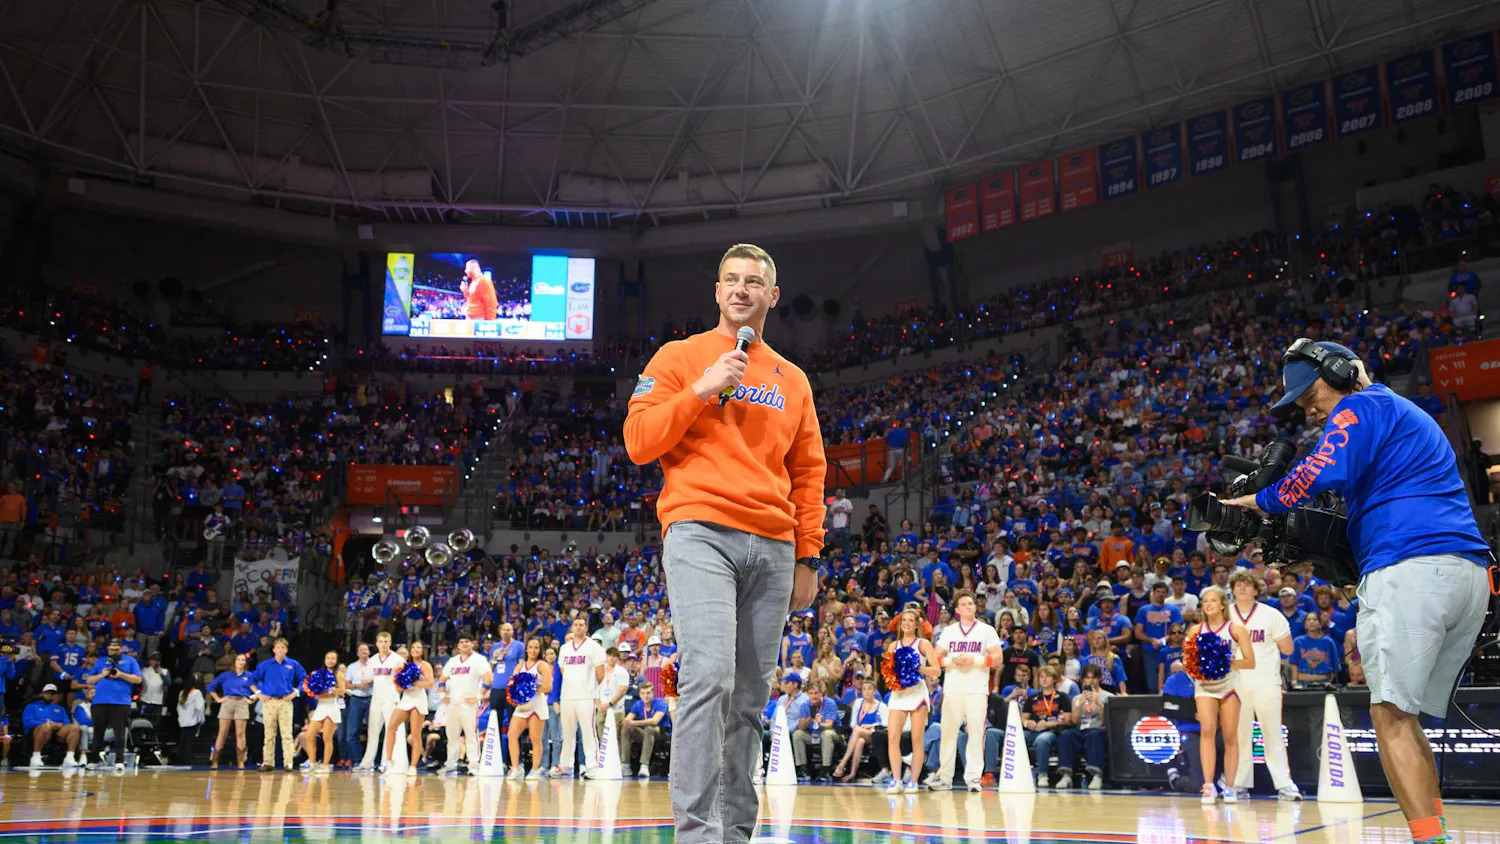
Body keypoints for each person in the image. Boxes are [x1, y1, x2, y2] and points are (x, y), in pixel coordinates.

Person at [1226, 338, 1493, 844]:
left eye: (1311, 395)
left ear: (1342, 372)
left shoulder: (1360, 406)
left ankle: (1430, 842)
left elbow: (1314, 473)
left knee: (1388, 716)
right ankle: (1434, 831)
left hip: (1412, 567)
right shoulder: (1396, 416)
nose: (1310, 409)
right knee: (1405, 720)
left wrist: (1257, 501)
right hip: (1464, 572)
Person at [623, 243, 826, 844]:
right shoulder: (680, 357)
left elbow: (810, 472)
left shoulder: (793, 379)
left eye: (753, 282)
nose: (741, 289)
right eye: (731, 280)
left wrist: (809, 555)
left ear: (772, 295)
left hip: (775, 545)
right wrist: (701, 389)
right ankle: (696, 835)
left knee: (748, 700)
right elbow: (638, 439)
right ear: (717, 292)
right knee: (708, 676)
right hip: (699, 531)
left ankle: (734, 833)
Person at [1226, 570, 1299, 801]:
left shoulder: (1271, 614)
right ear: (1232, 589)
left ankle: (1284, 784)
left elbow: (1288, 650)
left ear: (1256, 590)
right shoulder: (1224, 614)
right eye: (1238, 585)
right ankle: (1238, 783)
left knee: (1273, 733)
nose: (1242, 589)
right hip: (1235, 683)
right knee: (1239, 735)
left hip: (1266, 680)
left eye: (1247, 585)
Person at [1186, 586, 1256, 804]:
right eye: (1205, 601)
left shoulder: (1236, 629)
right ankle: (1208, 786)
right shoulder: (1195, 630)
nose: (1208, 605)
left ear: (1223, 604)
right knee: (1207, 730)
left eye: (1213, 600)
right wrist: (1200, 669)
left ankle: (1230, 787)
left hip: (1229, 684)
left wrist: (1222, 663)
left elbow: (1250, 662)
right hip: (1205, 686)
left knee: (1229, 735)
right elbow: (1187, 662)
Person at [931, 590, 1002, 792]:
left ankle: (973, 779)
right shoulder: (949, 632)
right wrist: (951, 660)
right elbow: (935, 658)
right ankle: (945, 778)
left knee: (977, 733)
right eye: (964, 604)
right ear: (957, 609)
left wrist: (976, 660)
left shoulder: (986, 630)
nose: (969, 607)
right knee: (948, 733)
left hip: (977, 689)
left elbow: (998, 658)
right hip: (953, 688)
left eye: (971, 603)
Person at [883, 608, 939, 793]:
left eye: (910, 620)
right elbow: (888, 671)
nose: (906, 623)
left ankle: (913, 781)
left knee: (917, 739)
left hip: (917, 694)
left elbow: (937, 670)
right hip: (899, 694)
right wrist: (892, 678)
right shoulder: (893, 646)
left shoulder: (923, 644)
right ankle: (896, 780)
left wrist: (918, 669)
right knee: (892, 738)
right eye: (903, 620)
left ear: (917, 624)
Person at [555, 617, 606, 778]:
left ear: (586, 628)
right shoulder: (564, 648)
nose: (578, 627)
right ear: (571, 628)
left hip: (586, 696)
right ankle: (566, 766)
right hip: (567, 697)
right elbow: (563, 671)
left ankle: (593, 766)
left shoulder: (594, 647)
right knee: (567, 733)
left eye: (582, 624)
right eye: (575, 625)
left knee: (588, 733)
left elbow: (600, 673)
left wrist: (591, 689)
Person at [84, 638, 141, 771]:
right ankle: (94, 760)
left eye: (116, 649)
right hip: (100, 702)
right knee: (98, 732)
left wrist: (120, 674)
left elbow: (138, 679)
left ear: (121, 649)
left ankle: (119, 760)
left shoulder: (130, 661)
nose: (113, 651)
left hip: (121, 702)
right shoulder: (101, 661)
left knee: (120, 732)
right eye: (110, 649)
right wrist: (102, 675)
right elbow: (90, 680)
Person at [250, 637, 307, 771]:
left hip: (285, 701)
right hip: (269, 702)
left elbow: (304, 679)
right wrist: (259, 693)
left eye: (283, 647)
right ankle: (268, 762)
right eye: (278, 647)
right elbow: (252, 679)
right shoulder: (265, 665)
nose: (280, 650)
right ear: (274, 649)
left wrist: (296, 692)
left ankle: (288, 762)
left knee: (286, 733)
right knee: (269, 733)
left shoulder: (293, 664)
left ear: (286, 650)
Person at [440, 635, 491, 773]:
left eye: (467, 641)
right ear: (457, 646)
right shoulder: (452, 661)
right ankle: (450, 764)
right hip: (452, 704)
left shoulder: (479, 660)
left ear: (472, 644)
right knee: (451, 736)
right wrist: (442, 695)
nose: (464, 644)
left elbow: (489, 678)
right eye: (461, 642)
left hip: (469, 704)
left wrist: (478, 696)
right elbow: (442, 679)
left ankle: (473, 764)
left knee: (471, 735)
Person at [382, 640, 434, 772]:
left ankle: (413, 766)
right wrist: (401, 684)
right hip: (406, 699)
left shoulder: (425, 665)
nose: (415, 649)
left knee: (415, 734)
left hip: (418, 699)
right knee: (391, 726)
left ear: (423, 651)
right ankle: (388, 761)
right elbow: (399, 689)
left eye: (419, 647)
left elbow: (430, 684)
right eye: (413, 647)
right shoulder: (405, 665)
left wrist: (414, 682)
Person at [1058, 664, 1112, 790]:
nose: (1091, 681)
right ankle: (1066, 775)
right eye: (1087, 678)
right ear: (1083, 680)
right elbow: (1074, 721)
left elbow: (1107, 721)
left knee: (1094, 735)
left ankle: (1097, 776)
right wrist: (1078, 706)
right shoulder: (1077, 698)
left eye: (1094, 678)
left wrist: (1098, 703)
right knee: (1066, 735)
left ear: (1100, 679)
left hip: (1099, 730)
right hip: (1081, 730)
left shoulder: (1108, 696)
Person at [356, 631, 403, 771]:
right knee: (373, 731)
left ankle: (386, 762)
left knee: (390, 730)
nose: (383, 644)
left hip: (391, 699)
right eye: (381, 641)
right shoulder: (373, 659)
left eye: (386, 641)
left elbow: (405, 677)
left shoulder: (397, 659)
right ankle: (367, 763)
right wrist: (368, 680)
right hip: (376, 698)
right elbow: (371, 677)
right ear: (376, 643)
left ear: (390, 643)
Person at [507, 637, 552, 780]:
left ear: (540, 650)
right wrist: (515, 694)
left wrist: (532, 690)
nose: (533, 650)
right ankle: (515, 769)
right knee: (512, 735)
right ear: (526, 649)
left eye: (536, 648)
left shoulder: (542, 665)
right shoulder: (520, 666)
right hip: (522, 706)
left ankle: (534, 770)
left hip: (536, 705)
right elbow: (512, 683)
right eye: (530, 647)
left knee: (535, 738)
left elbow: (548, 686)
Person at [833, 680, 888, 782]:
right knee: (860, 741)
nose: (866, 691)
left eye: (869, 689)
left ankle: (842, 764)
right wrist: (858, 728)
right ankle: (853, 774)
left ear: (875, 691)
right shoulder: (858, 703)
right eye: (864, 689)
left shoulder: (881, 706)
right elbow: (853, 723)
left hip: (873, 734)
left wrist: (871, 726)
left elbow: (886, 724)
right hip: (858, 734)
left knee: (858, 732)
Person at [207, 653, 254, 768]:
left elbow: (259, 690)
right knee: (222, 732)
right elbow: (210, 687)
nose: (241, 662)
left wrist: (252, 699)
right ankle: (215, 761)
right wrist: (218, 699)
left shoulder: (249, 675)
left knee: (240, 733)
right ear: (234, 661)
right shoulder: (226, 675)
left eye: (243, 660)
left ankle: (241, 762)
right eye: (238, 659)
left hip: (242, 702)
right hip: (228, 702)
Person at [302, 651, 345, 771]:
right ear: (325, 660)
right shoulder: (318, 673)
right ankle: (312, 762)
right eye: (328, 658)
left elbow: (342, 690)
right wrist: (315, 691)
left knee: (327, 737)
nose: (330, 660)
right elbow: (312, 690)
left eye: (333, 658)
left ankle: (325, 765)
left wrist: (329, 691)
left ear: (336, 661)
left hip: (332, 707)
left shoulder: (338, 674)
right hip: (321, 707)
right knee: (309, 735)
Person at [25, 684, 82, 768]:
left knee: (75, 727)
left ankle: (69, 757)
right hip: (36, 732)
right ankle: (35, 756)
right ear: (41, 694)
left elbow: (66, 723)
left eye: (52, 694)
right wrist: (47, 723)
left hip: (57, 733)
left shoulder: (60, 708)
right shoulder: (31, 706)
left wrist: (58, 725)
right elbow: (28, 722)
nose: (50, 695)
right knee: (46, 726)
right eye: (47, 693)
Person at [621, 679, 670, 778]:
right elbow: (627, 720)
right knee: (626, 729)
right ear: (639, 694)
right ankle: (625, 765)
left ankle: (644, 766)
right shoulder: (638, 704)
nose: (645, 696)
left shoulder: (660, 703)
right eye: (643, 693)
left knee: (649, 728)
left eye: (648, 693)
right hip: (646, 734)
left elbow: (655, 721)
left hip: (662, 733)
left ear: (653, 693)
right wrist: (627, 723)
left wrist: (634, 723)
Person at [340, 643, 373, 769]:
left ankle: (371, 760)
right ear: (358, 653)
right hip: (356, 700)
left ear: (369, 651)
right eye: (361, 650)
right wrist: (358, 686)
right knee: (352, 732)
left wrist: (371, 681)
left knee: (374, 731)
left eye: (366, 649)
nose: (364, 651)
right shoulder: (352, 667)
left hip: (371, 699)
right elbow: (347, 684)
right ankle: (356, 760)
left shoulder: (374, 665)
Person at [175, 675, 205, 766]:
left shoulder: (181, 693)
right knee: (188, 743)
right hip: (192, 721)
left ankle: (181, 761)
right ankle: (187, 762)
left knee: (183, 742)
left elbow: (178, 708)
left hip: (183, 721)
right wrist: (201, 719)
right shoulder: (197, 693)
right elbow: (199, 707)